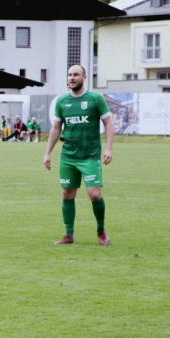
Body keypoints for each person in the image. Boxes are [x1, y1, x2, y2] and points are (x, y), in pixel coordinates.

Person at [43, 64, 113, 245]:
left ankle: (101, 232)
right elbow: (56, 128)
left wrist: (108, 148)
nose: (72, 78)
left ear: (84, 77)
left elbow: (108, 123)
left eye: (76, 75)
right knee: (67, 194)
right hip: (68, 156)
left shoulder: (95, 98)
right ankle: (69, 235)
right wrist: (47, 153)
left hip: (90, 155)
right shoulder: (62, 101)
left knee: (95, 195)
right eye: (69, 75)